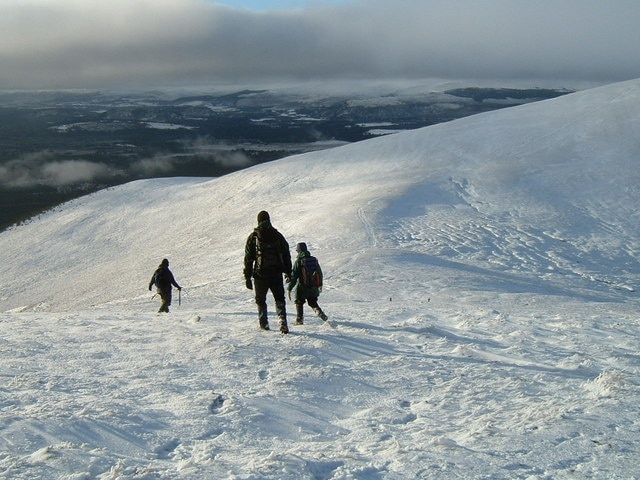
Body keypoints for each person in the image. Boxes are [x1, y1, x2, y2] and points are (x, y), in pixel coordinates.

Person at [243, 211, 292, 333]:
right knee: (279, 298)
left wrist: (247, 277)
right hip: (276, 273)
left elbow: (248, 259)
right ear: (269, 219)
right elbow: (286, 254)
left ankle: (263, 323)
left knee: (260, 300)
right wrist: (288, 272)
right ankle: (282, 321)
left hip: (260, 275)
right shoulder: (277, 235)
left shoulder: (254, 237)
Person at [287, 242, 328, 324]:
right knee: (312, 302)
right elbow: (319, 273)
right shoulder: (314, 260)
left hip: (302, 287)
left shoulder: (299, 261)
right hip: (313, 286)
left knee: (299, 302)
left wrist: (289, 288)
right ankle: (319, 312)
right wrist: (320, 284)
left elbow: (294, 276)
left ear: (298, 251)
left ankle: (299, 319)